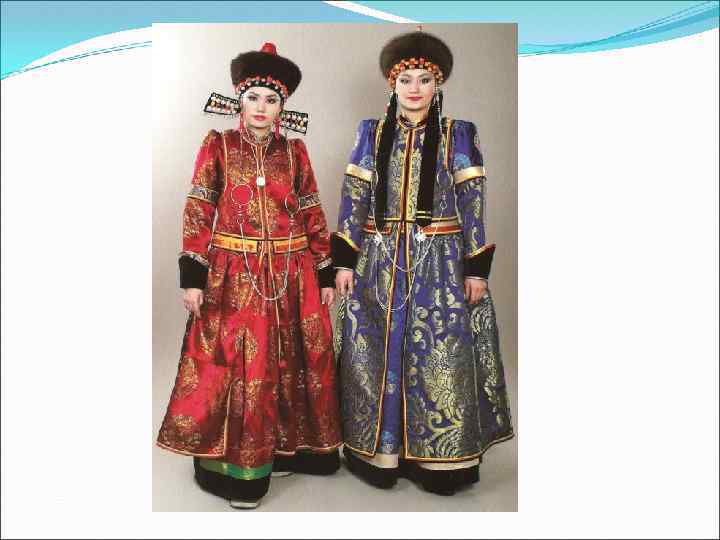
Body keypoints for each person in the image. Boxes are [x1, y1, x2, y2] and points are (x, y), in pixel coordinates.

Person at [157, 42, 342, 509]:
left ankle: (288, 448)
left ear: (283, 107)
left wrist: (324, 270)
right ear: (239, 100)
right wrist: (192, 274)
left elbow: (312, 210)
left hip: (292, 272)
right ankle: (240, 469)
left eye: (271, 99)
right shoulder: (218, 146)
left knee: (294, 358)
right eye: (254, 97)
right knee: (243, 365)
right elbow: (199, 207)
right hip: (234, 275)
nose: (261, 107)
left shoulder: (294, 152)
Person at [332, 30, 514, 496]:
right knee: (375, 353)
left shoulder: (458, 133)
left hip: (441, 261)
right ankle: (379, 454)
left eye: (424, 79)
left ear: (438, 85)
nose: (414, 88)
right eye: (406, 79)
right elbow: (354, 198)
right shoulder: (371, 134)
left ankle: (439, 460)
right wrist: (345, 262)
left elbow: (473, 202)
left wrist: (476, 268)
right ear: (392, 85)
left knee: (439, 356)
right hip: (378, 260)